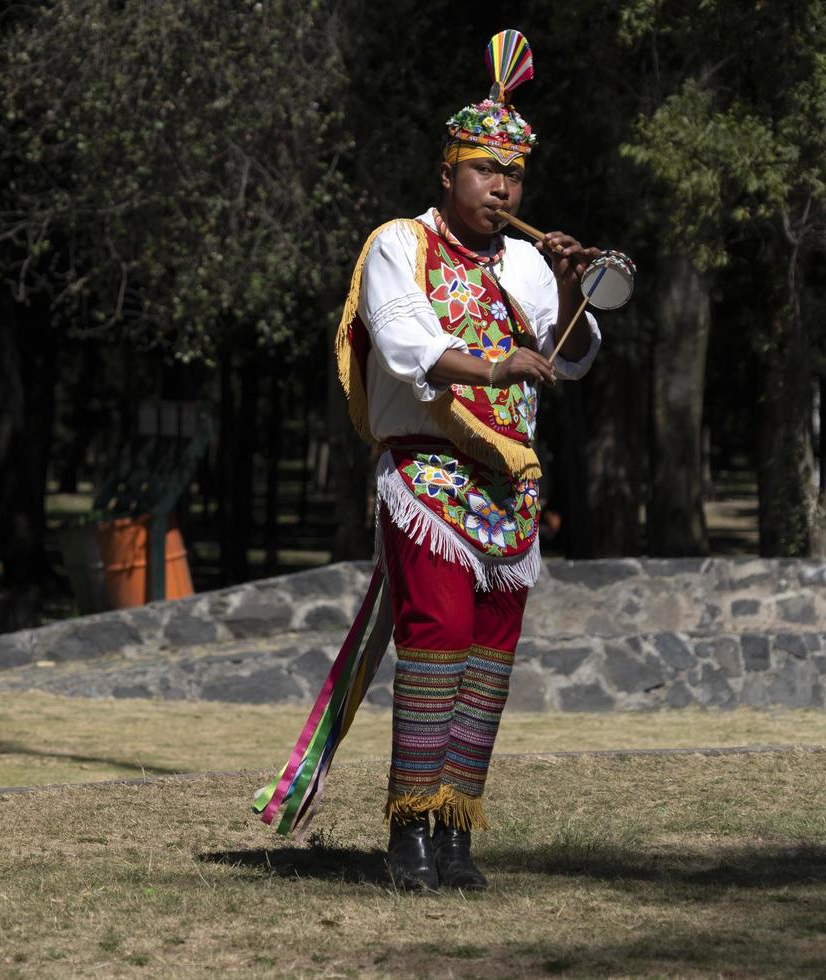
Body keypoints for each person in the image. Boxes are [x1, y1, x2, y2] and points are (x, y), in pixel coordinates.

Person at [253, 30, 602, 893]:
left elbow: (577, 355)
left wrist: (567, 286)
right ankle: (409, 832)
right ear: (447, 173)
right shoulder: (396, 244)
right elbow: (410, 342)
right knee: (437, 642)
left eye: (512, 175)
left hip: (510, 488)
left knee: (489, 659)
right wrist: (493, 366)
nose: (501, 188)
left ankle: (455, 835)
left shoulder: (525, 261)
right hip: (430, 479)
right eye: (484, 171)